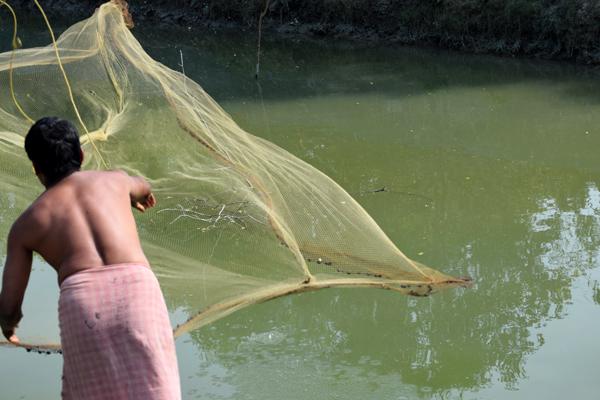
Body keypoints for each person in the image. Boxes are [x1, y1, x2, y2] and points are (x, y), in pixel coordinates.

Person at [0, 117, 181, 399]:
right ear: (81, 155)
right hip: (138, 291)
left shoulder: (27, 224)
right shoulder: (116, 180)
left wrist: (9, 325)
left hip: (83, 305)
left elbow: (10, 303)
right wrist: (135, 196)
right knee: (154, 387)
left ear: (36, 168)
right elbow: (143, 184)